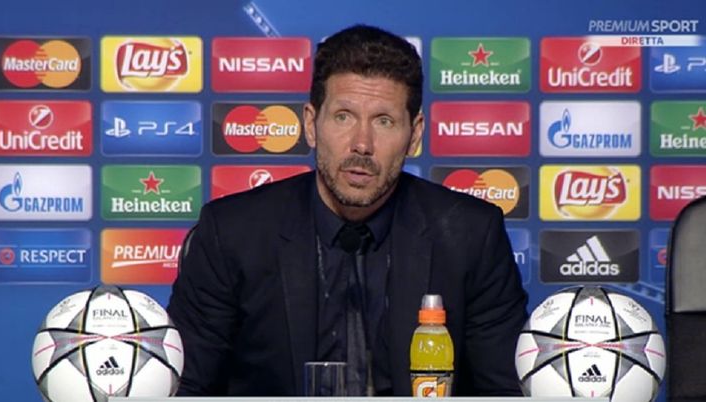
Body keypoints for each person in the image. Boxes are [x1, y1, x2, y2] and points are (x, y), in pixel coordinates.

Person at [167, 24, 527, 397]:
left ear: (415, 134)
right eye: (343, 116)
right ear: (311, 125)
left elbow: (504, 391)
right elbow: (185, 387)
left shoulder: (471, 235)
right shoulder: (232, 233)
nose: (362, 144)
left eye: (384, 121)